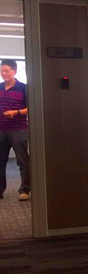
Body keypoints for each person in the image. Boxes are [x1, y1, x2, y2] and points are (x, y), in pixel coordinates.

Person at [0, 59, 30, 200]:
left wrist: (16, 112)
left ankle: (24, 190)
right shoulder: (0, 87)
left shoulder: (24, 88)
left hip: (18, 129)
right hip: (1, 130)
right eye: (1, 71)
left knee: (22, 161)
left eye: (6, 71)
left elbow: (31, 108)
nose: (3, 73)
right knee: (0, 161)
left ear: (14, 71)